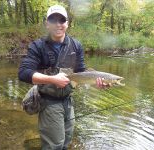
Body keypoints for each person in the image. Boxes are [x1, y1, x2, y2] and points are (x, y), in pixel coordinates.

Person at [19, 4, 107, 150]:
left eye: (62, 20)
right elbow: (23, 73)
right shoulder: (38, 46)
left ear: (67, 23)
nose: (58, 24)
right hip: (48, 102)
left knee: (66, 141)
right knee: (54, 145)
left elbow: (80, 71)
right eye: (53, 20)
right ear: (47, 24)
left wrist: (96, 82)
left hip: (68, 101)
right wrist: (52, 79)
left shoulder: (76, 45)